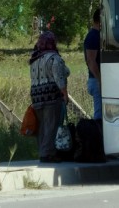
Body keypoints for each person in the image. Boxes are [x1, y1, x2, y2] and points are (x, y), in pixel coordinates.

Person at [29, 31, 70, 163]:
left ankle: (42, 152)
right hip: (51, 95)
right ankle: (49, 154)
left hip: (36, 96)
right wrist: (65, 93)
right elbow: (60, 79)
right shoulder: (54, 58)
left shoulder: (34, 59)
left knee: (41, 126)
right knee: (51, 124)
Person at [84, 8, 102, 120]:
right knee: (99, 115)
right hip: (96, 81)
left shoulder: (97, 35)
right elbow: (91, 61)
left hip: (96, 80)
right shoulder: (93, 36)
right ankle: (96, 135)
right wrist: (100, 80)